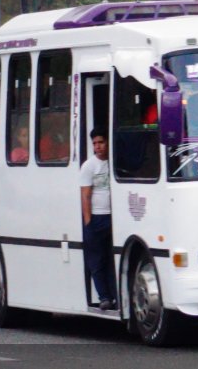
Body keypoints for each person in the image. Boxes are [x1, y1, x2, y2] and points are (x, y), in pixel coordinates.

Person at [79, 127, 117, 310]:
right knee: (97, 260)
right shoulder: (89, 166)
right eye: (94, 143)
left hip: (113, 218)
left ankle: (115, 295)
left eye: (101, 142)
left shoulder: (114, 162)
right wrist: (89, 221)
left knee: (111, 258)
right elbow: (85, 195)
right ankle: (104, 297)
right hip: (96, 218)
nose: (98, 147)